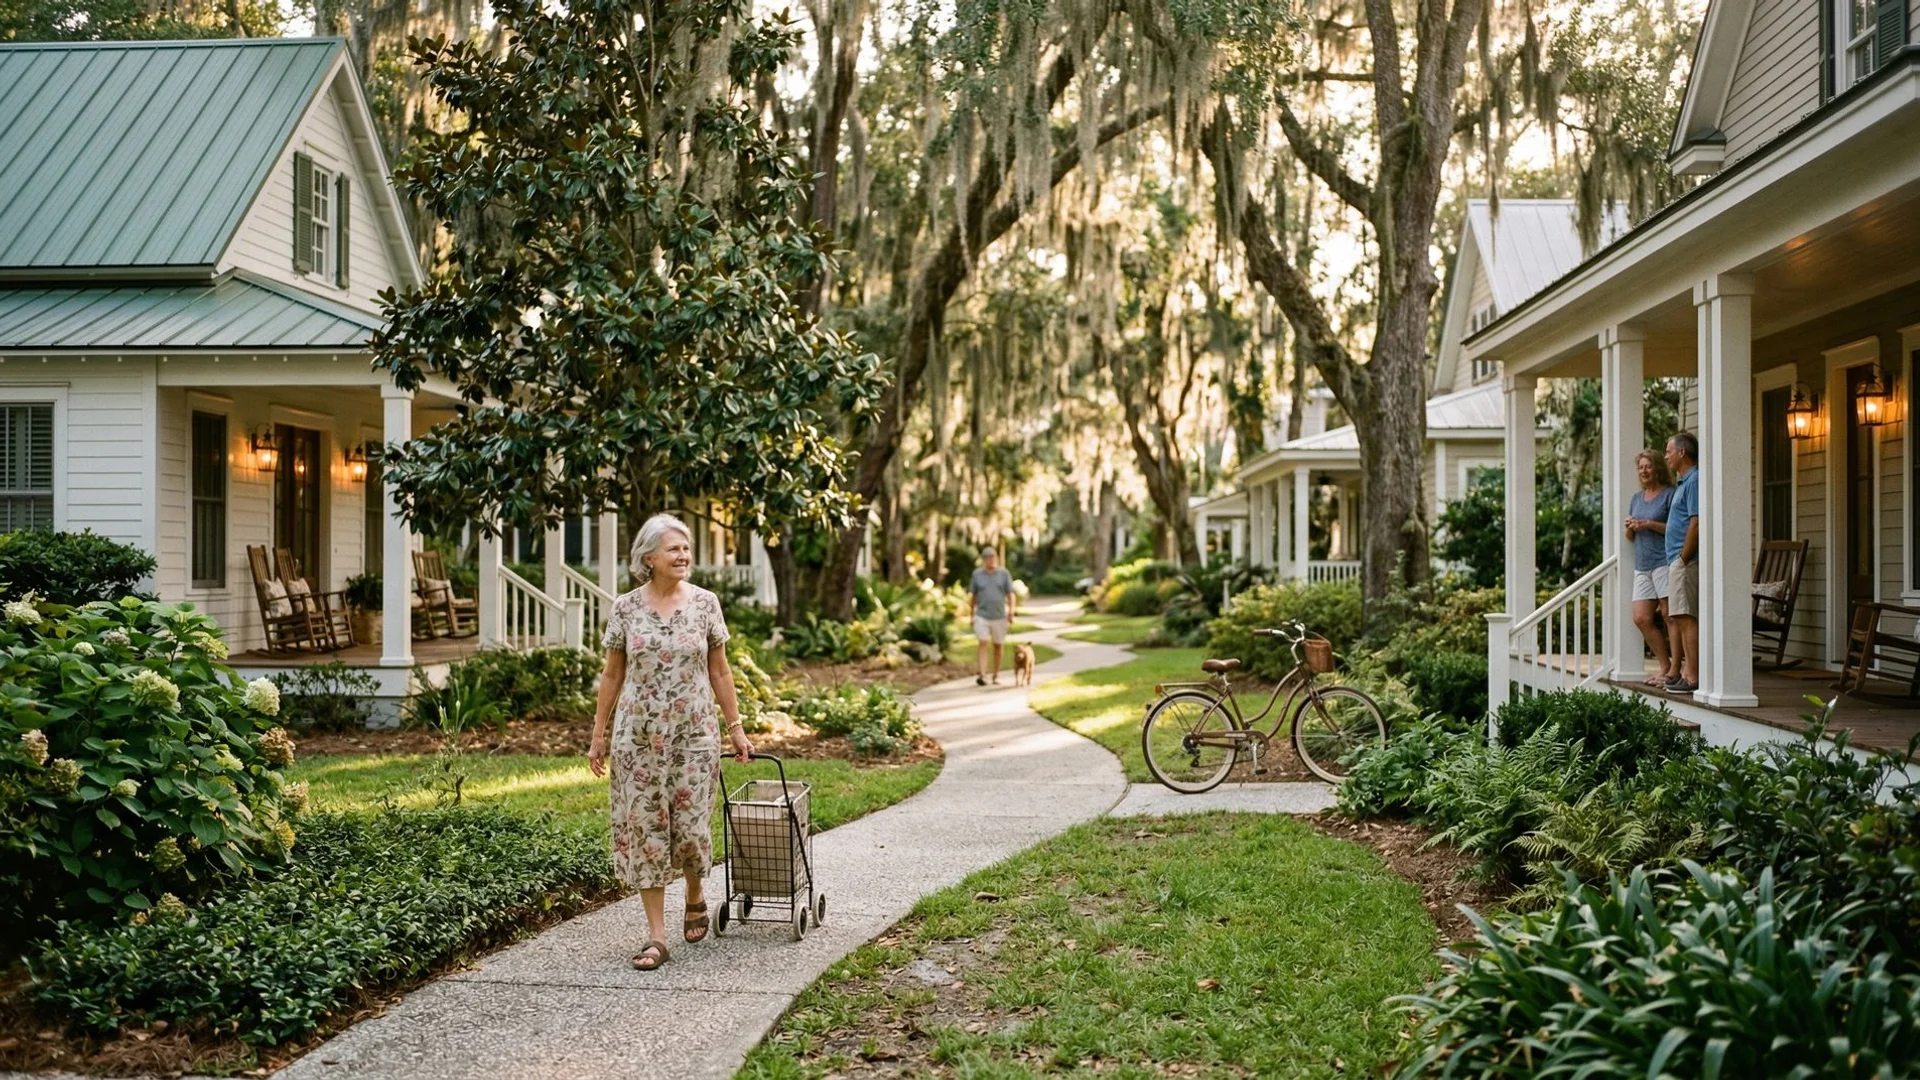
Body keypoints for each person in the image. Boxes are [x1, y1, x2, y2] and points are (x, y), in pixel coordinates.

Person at [587, 513, 753, 971]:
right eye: (674, 549)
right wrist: (598, 734)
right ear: (648, 558)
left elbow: (719, 670)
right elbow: (613, 673)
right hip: (637, 737)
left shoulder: (705, 604)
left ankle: (695, 893)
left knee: (691, 829)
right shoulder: (625, 608)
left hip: (694, 734)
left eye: (686, 550)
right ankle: (657, 937)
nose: (684, 556)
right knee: (646, 830)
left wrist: (736, 727)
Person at [1625, 450, 1678, 687]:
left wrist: (1648, 523)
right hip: (1642, 565)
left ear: (1658, 468)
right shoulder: (1637, 498)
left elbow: (1676, 530)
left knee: (1670, 616)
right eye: (1640, 467)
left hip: (1663, 562)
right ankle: (1664, 665)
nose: (1644, 471)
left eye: (1648, 466)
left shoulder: (1670, 495)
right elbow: (1629, 537)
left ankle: (1674, 671)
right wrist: (1631, 526)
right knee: (1641, 618)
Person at [1662, 432, 1702, 694]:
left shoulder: (1694, 481)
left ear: (1682, 453)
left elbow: (1695, 523)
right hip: (1678, 561)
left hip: (1684, 561)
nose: (1666, 456)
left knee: (1686, 618)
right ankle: (1687, 672)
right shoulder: (1684, 482)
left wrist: (1683, 559)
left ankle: (1693, 676)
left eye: (1668, 451)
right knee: (1680, 616)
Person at [969, 546, 1017, 686]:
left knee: (998, 645)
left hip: (999, 615)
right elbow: (973, 595)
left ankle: (996, 675)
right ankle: (983, 674)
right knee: (983, 642)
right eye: (988, 557)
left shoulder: (1004, 574)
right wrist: (971, 614)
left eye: (993, 557)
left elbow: (1010, 594)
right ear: (984, 560)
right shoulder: (977, 574)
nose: (991, 560)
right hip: (982, 615)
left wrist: (1011, 611)